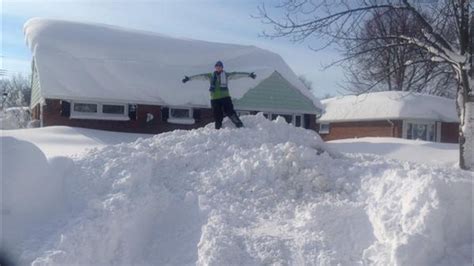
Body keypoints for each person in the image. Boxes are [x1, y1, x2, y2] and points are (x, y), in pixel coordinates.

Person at [182, 61, 256, 129]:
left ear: (222, 68)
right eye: (217, 66)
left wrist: (249, 75)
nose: (218, 67)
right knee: (217, 115)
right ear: (215, 67)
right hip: (215, 99)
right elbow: (200, 76)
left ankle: (239, 125)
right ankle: (218, 129)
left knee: (230, 112)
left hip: (225, 97)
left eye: (220, 66)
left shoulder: (226, 75)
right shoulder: (210, 76)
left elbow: (237, 75)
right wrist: (189, 78)